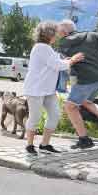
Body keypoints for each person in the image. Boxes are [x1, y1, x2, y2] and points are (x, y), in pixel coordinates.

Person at [22, 21, 84, 155]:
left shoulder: (46, 48)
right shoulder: (42, 47)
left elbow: (55, 63)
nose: (57, 34)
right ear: (50, 34)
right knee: (35, 117)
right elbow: (58, 65)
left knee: (55, 115)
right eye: (56, 32)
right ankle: (29, 145)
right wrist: (72, 60)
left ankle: (44, 144)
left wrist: (66, 60)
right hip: (36, 89)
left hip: (47, 89)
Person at [57, 19, 98, 148]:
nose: (58, 34)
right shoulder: (92, 34)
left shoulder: (64, 43)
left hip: (86, 80)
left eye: (59, 32)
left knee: (70, 107)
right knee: (86, 102)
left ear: (64, 32)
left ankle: (84, 139)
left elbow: (68, 63)